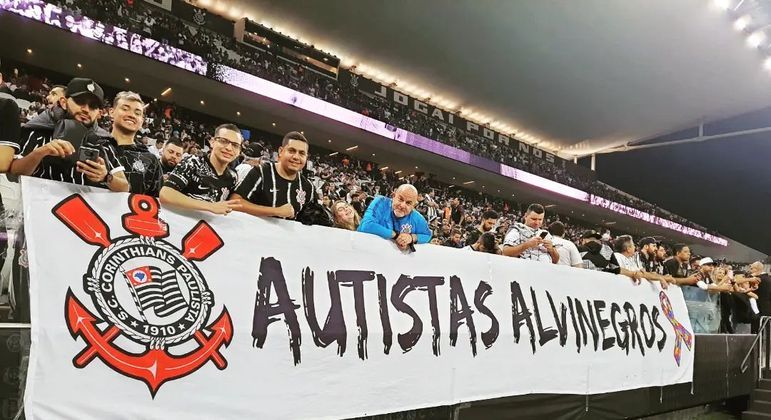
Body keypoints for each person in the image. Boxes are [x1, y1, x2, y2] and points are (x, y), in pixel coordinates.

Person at [5, 78, 128, 191]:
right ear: (63, 102)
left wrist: (106, 177)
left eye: (93, 106)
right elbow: (13, 172)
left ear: (99, 113)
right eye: (80, 101)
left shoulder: (103, 142)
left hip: (81, 206)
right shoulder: (39, 131)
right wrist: (41, 152)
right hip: (37, 204)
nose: (86, 109)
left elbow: (125, 187)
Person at [159, 123, 242, 215]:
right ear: (212, 142)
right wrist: (210, 206)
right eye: (223, 141)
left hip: (208, 224)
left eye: (235, 145)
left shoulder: (233, 177)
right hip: (179, 221)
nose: (229, 148)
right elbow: (166, 194)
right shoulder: (193, 162)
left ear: (239, 151)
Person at [231, 131, 315, 219]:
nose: (296, 157)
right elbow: (234, 202)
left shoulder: (308, 187)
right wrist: (275, 211)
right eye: (291, 151)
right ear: (281, 151)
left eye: (302, 153)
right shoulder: (261, 172)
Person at [110, 91, 163, 196]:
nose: (131, 115)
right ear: (111, 112)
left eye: (137, 113)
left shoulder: (150, 160)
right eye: (125, 109)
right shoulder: (96, 146)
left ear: (142, 121)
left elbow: (157, 201)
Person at [358, 184, 432, 251]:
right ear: (393, 196)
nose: (402, 205)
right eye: (400, 199)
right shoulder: (380, 202)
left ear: (414, 206)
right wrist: (396, 236)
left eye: (408, 203)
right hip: (364, 251)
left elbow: (427, 235)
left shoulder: (417, 218)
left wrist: (411, 237)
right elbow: (366, 225)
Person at [750, 262, 771, 333]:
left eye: (751, 268)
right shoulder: (769, 279)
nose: (750, 270)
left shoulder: (756, 280)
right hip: (768, 309)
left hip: (758, 310)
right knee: (767, 332)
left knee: (757, 332)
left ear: (756, 269)